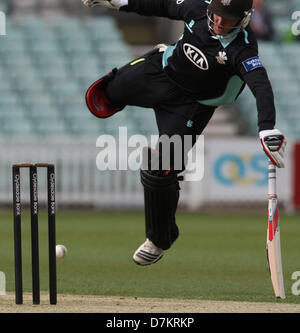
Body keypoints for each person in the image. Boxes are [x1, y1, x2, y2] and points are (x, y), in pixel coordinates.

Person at [82, 0, 286, 266]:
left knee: (160, 169)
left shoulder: (242, 48)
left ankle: (160, 239)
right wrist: (120, 4)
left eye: (229, 20)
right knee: (100, 97)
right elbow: (162, 5)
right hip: (160, 72)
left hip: (189, 107)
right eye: (217, 16)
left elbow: (261, 85)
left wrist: (266, 127)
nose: (220, 23)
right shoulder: (197, 9)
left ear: (245, 19)